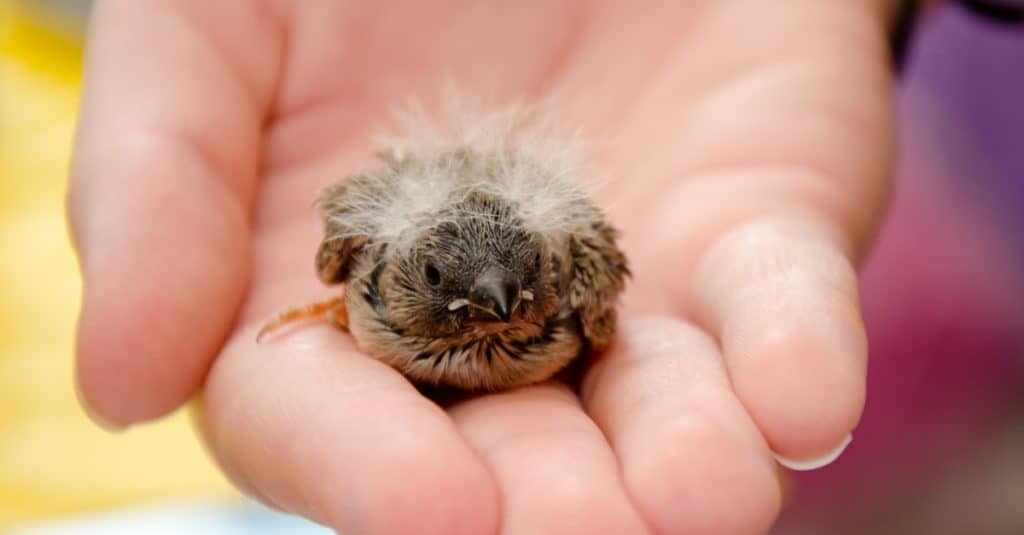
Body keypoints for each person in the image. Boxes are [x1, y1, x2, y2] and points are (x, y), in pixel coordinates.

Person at [67, 1, 941, 533]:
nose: (497, 303)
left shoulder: (569, 288)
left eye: (518, 286)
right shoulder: (368, 253)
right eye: (458, 288)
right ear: (396, 277)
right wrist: (330, 310)